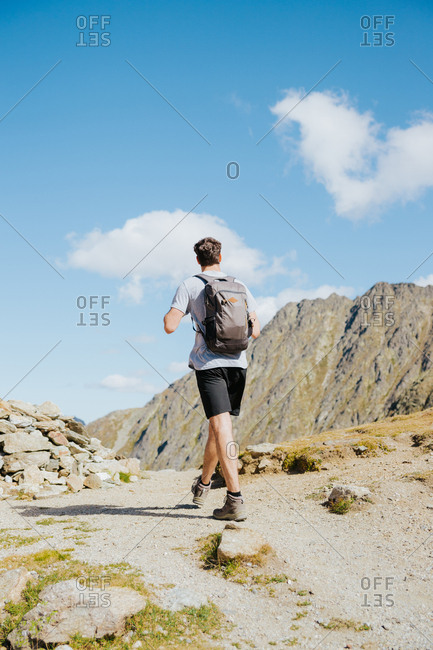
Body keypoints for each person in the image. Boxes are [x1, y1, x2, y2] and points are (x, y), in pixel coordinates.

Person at [163, 236, 260, 521]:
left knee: (222, 427)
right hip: (238, 364)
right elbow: (255, 330)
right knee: (216, 427)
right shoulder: (239, 285)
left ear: (197, 260)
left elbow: (170, 326)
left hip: (210, 365)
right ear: (221, 257)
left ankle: (235, 499)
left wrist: (177, 313)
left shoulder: (190, 284)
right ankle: (203, 484)